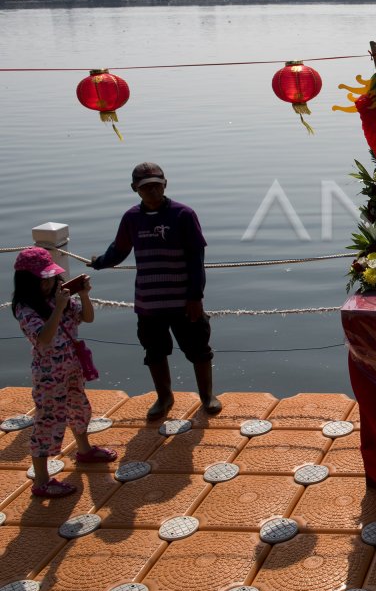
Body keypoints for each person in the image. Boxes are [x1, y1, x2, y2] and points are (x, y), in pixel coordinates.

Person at [90, 162, 221, 419]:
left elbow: (196, 258)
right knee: (154, 352)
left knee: (199, 349)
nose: (152, 191)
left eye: (156, 186)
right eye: (145, 187)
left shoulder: (183, 215)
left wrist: (195, 296)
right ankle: (164, 398)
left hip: (184, 301)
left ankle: (207, 396)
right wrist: (100, 262)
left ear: (165, 184)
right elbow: (119, 249)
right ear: (134, 189)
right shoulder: (131, 218)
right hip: (149, 303)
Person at [12, 247, 117, 498]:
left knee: (79, 407)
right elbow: (44, 338)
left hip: (71, 367)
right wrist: (58, 307)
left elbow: (87, 318)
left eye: (50, 278)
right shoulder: (25, 309)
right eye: (42, 280)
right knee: (47, 422)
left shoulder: (60, 297)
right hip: (48, 375)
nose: (48, 283)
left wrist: (84, 295)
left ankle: (84, 449)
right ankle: (41, 481)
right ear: (28, 282)